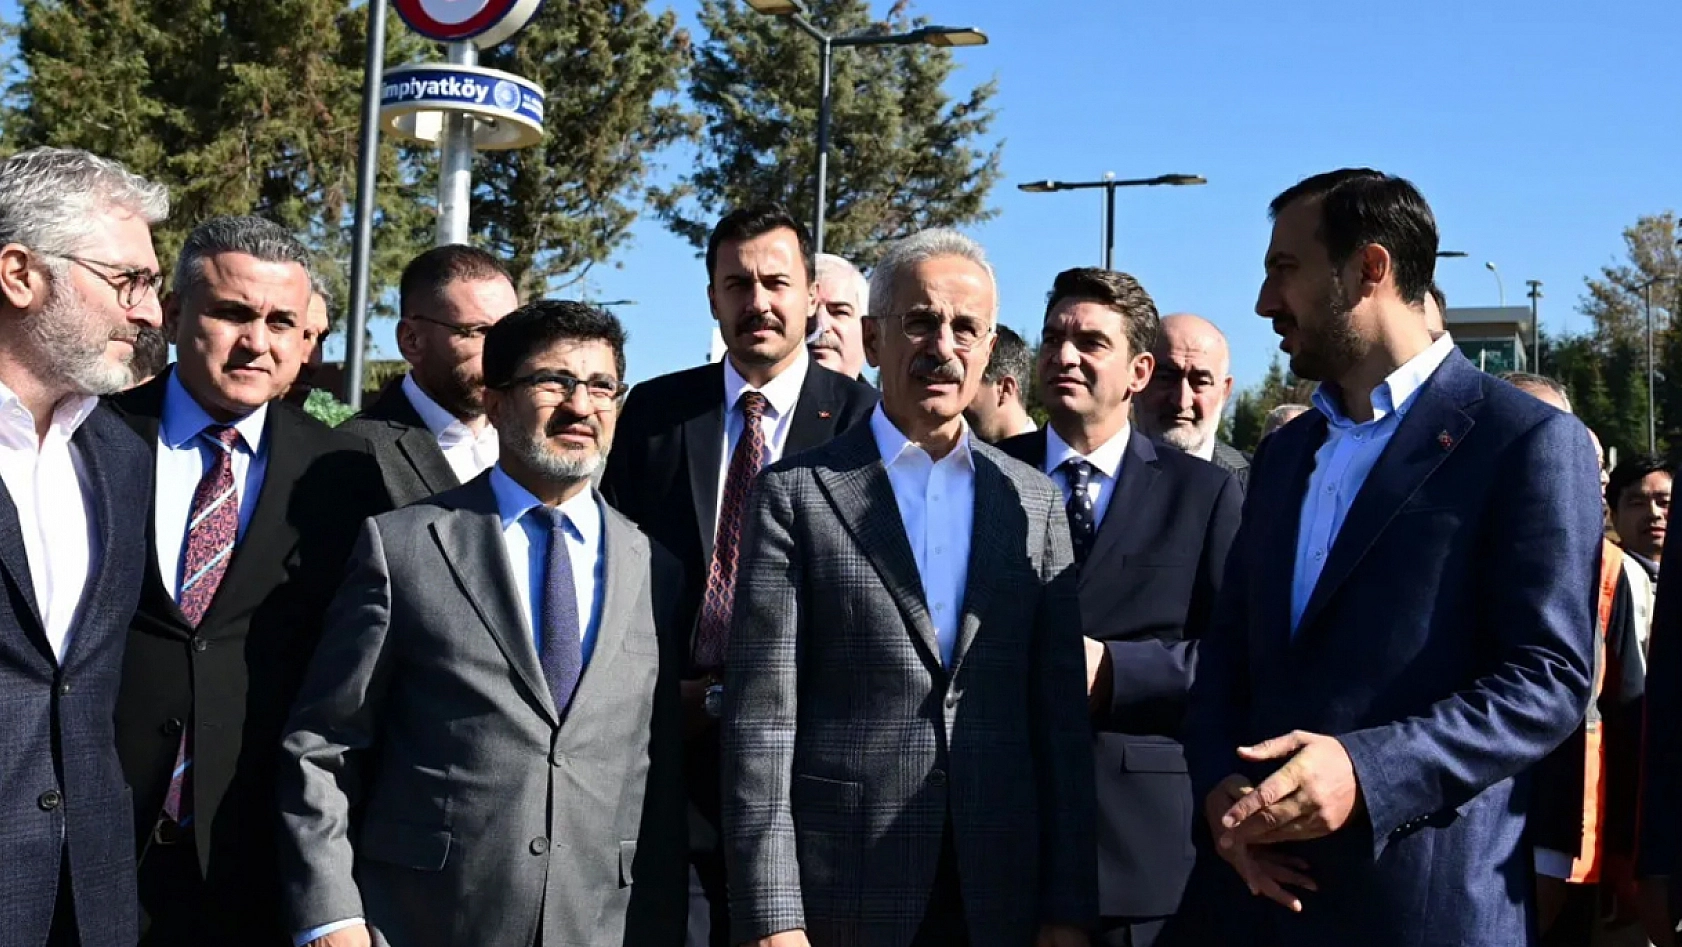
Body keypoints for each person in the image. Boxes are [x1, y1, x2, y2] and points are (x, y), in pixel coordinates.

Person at [1182, 168, 1601, 947]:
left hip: (1418, 911)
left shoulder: (1525, 443)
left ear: (1369, 268)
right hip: (1247, 906)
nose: (1264, 302)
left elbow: (1548, 678)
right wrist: (1218, 790)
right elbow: (1226, 662)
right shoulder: (1285, 454)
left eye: (1285, 269)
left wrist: (1366, 770)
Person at [721, 228, 1096, 947]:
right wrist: (772, 916)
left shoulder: (1032, 502)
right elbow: (760, 726)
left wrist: (1069, 906)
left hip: (1000, 891)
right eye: (920, 321)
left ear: (989, 350)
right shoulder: (796, 495)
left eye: (966, 328)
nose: (942, 346)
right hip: (844, 890)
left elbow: (1059, 728)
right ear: (872, 336)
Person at [279, 300, 687, 947]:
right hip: (420, 922)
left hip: (599, 926)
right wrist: (331, 915)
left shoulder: (654, 568)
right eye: (553, 382)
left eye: (601, 385)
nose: (581, 406)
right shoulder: (405, 547)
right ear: (495, 401)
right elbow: (324, 744)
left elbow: (659, 780)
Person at [107, 216, 390, 946]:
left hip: (252, 858)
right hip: (87, 841)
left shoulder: (345, 477)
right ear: (172, 316)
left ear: (305, 339)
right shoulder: (88, 434)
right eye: (232, 312)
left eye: (280, 321)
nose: (256, 342)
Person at [600, 202, 877, 947]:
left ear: (812, 292)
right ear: (713, 296)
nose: (758, 302)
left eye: (776, 282)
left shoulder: (866, 424)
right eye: (738, 284)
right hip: (671, 759)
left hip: (807, 770)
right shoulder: (656, 413)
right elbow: (616, 570)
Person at [996, 268, 1241, 947]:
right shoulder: (982, 475)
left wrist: (1116, 673)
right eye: (1053, 337)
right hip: (998, 836)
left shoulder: (1204, 495)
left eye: (1090, 342)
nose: (1064, 355)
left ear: (1139, 370)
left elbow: (1235, 660)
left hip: (1138, 858)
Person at [0, 146, 168, 947]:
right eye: (127, 280)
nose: (150, 313)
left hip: (89, 900)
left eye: (152, 285)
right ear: (19, 273)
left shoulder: (122, 457)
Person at [1498, 373, 1647, 947]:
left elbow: (1628, 716)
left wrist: (1626, 859)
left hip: (1573, 844)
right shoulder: (1440, 549)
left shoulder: (1609, 570)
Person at [340, 245, 516, 506]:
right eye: (479, 332)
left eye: (511, 332)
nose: (502, 352)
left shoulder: (536, 437)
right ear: (411, 340)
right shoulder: (351, 454)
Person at [1136, 312, 1249, 483]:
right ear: (1137, 377)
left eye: (1200, 382)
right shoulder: (1094, 472)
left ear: (1225, 391)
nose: (1181, 401)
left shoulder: (1260, 483)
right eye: (1166, 378)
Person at [964, 324, 1037, 443]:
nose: (960, 400)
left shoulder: (1051, 459)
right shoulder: (967, 457)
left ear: (1005, 389)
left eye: (969, 385)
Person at [809, 252, 868, 379]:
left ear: (868, 334)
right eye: (807, 311)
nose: (821, 325)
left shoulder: (884, 399)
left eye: (839, 312)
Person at [1609, 454, 1671, 576]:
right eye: (1638, 504)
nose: (1654, 513)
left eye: (1665, 502)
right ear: (1614, 517)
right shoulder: (1603, 578)